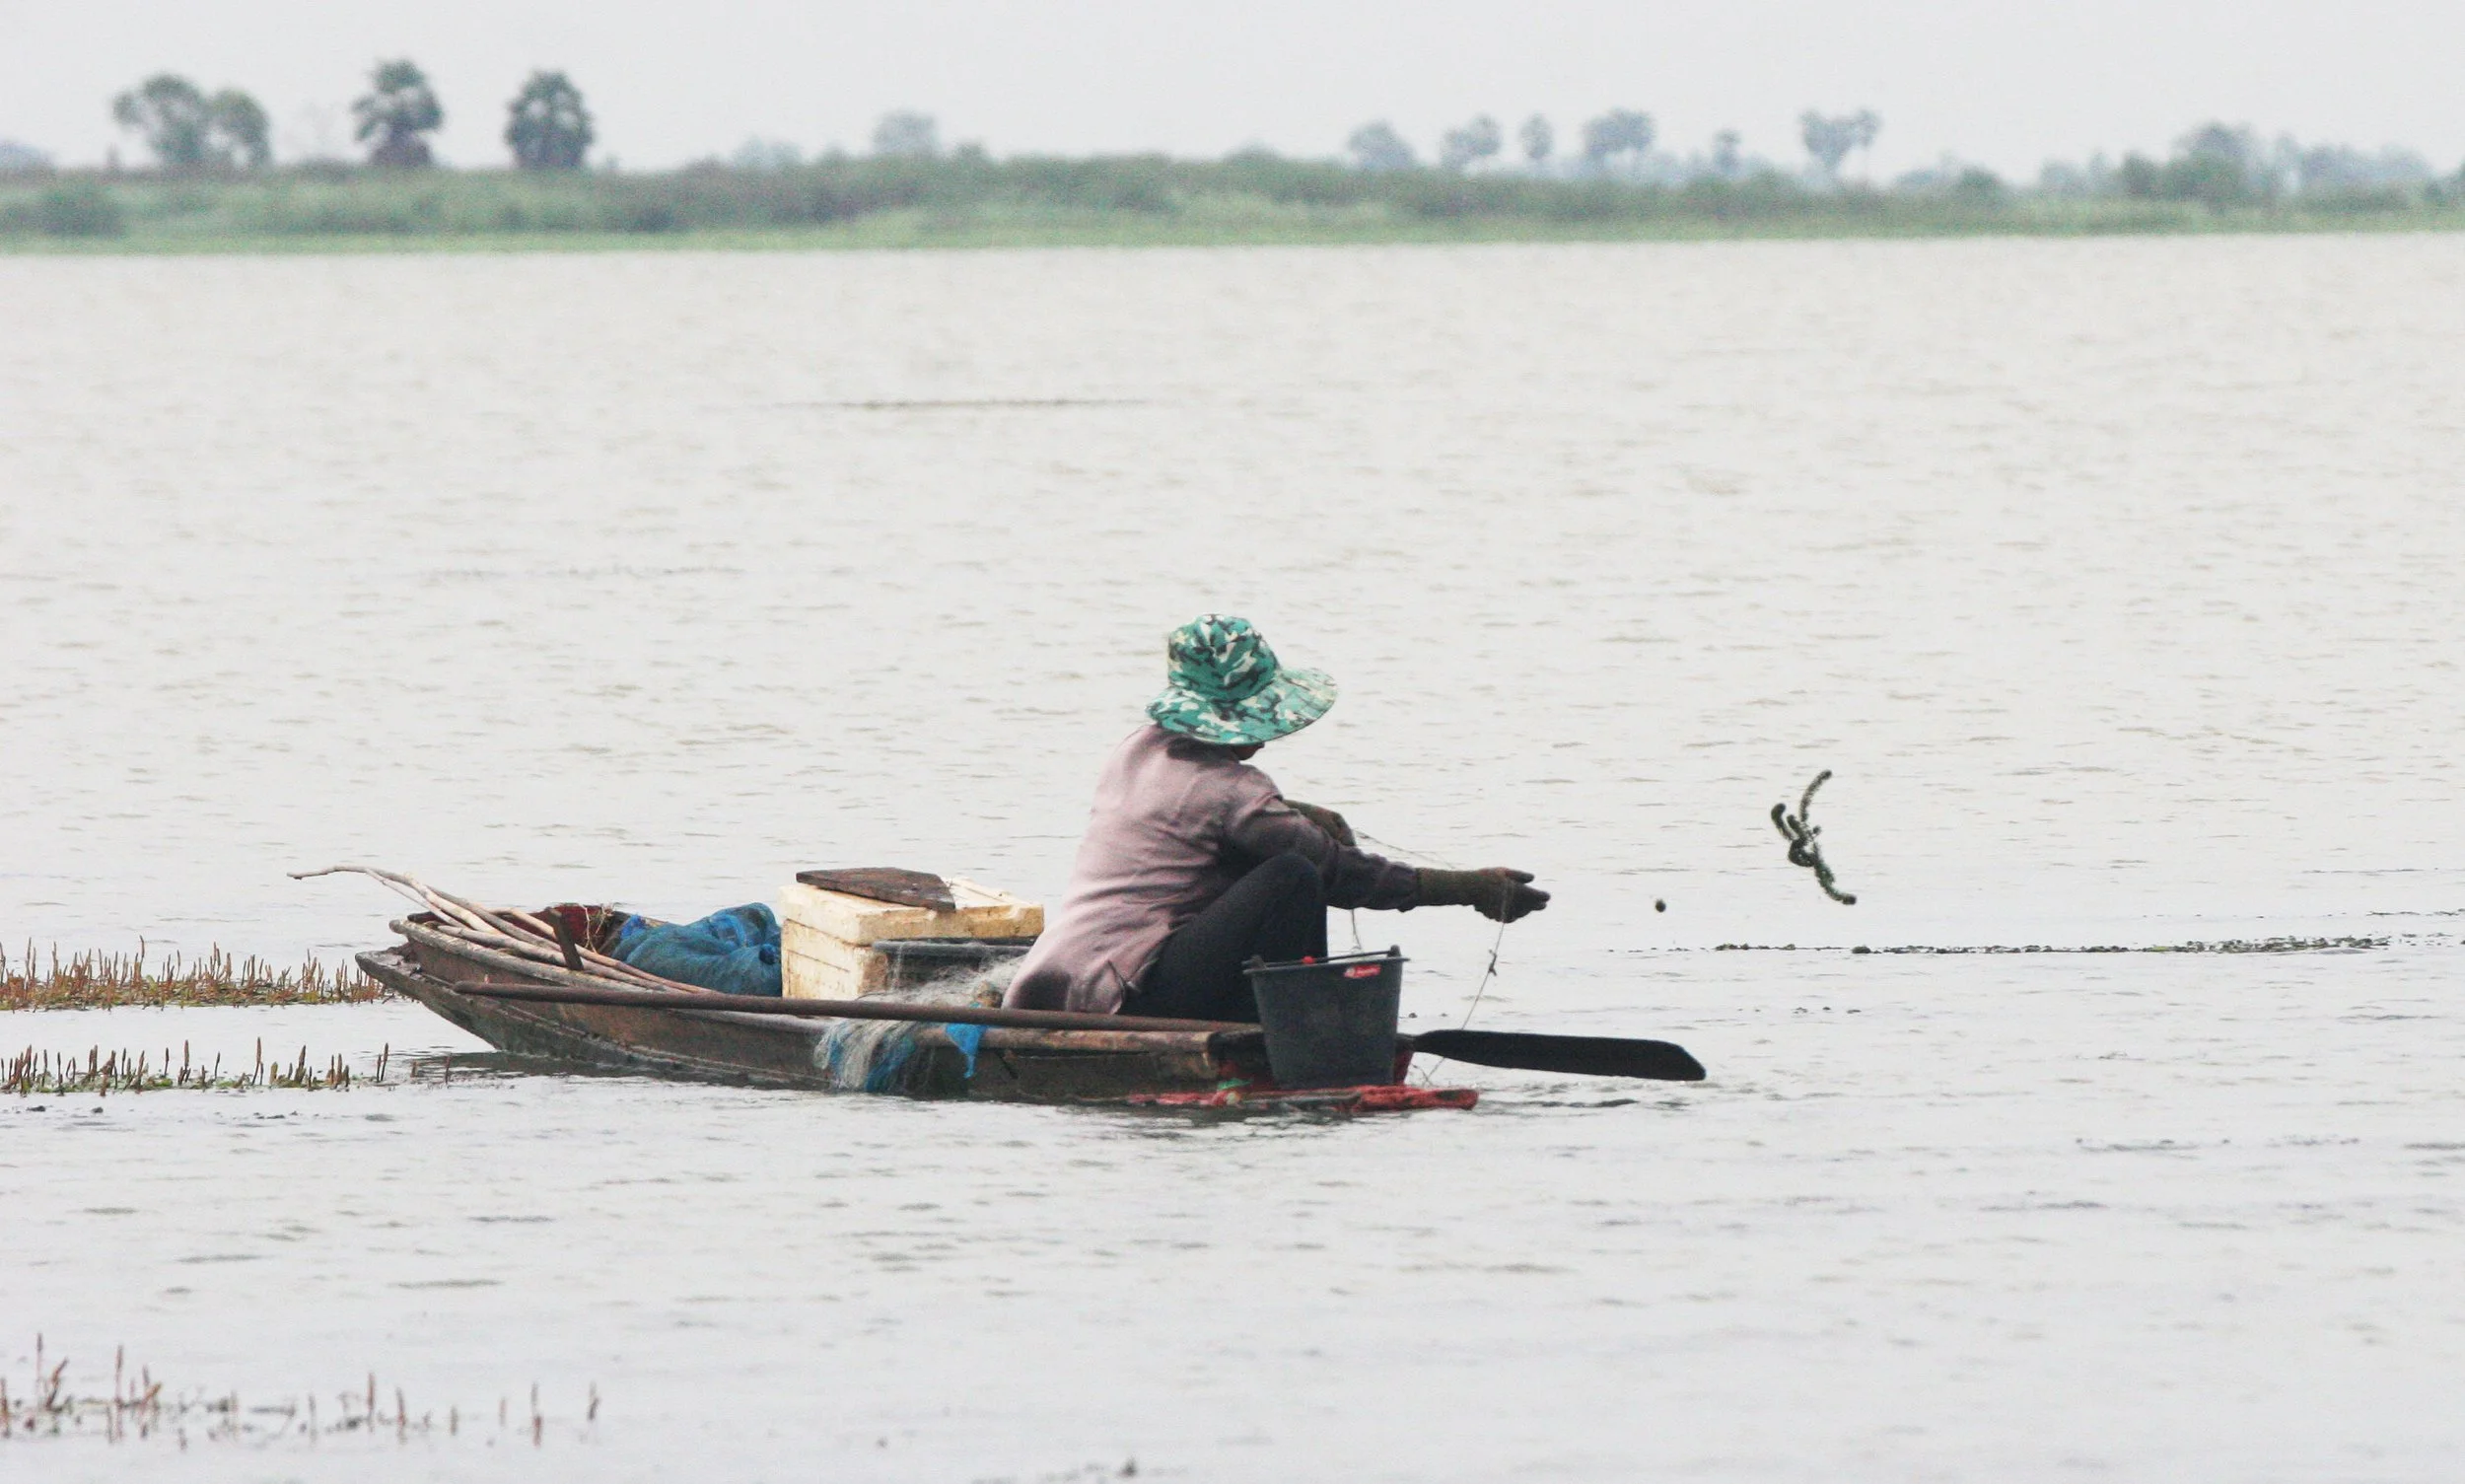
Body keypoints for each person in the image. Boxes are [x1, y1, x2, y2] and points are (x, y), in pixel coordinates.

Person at [1005, 614, 1548, 1023]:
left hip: (1057, 975)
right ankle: (1290, 1027)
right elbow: (1340, 874)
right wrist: (1471, 887)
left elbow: (1194, 817)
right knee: (1293, 876)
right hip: (1128, 989)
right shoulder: (1234, 794)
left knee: (1274, 863)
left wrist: (1297, 813)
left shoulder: (1137, 750)